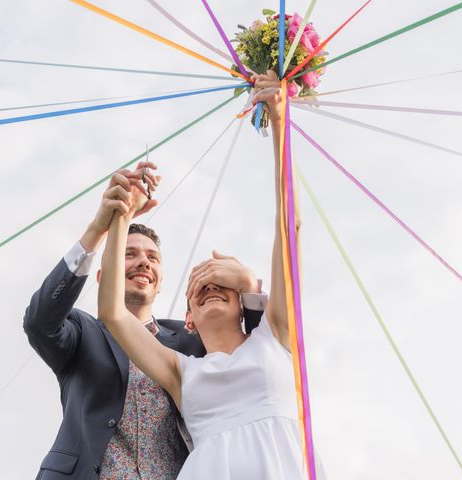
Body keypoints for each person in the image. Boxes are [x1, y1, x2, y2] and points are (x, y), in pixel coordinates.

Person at [98, 70, 310, 479]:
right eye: (199, 288)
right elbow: (112, 313)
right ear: (189, 319)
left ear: (242, 302)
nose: (211, 287)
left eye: (220, 284)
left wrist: (281, 125)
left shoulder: (275, 336)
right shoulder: (181, 372)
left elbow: (290, 230)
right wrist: (121, 217)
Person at [23, 164, 268, 480]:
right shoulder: (81, 334)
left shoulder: (190, 341)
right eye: (130, 254)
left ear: (160, 281)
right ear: (102, 276)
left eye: (153, 258)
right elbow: (39, 321)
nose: (143, 262)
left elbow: (260, 345)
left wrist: (248, 286)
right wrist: (99, 228)